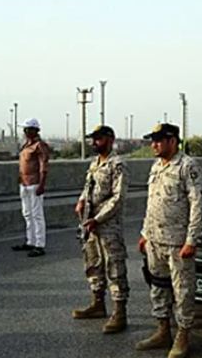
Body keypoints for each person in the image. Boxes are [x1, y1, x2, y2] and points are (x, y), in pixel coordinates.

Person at [136, 123, 202, 358]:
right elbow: (152, 203)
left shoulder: (187, 165)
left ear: (172, 141)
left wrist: (191, 240)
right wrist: (145, 233)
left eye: (159, 140)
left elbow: (197, 204)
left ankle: (182, 336)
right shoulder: (157, 166)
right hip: (155, 240)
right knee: (158, 286)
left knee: (182, 290)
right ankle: (162, 330)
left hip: (177, 242)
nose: (154, 145)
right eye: (152, 140)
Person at [72, 125, 130, 334]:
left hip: (108, 225)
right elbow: (88, 187)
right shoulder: (95, 163)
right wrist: (81, 201)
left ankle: (119, 313)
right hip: (90, 223)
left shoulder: (117, 164)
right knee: (93, 263)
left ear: (110, 139)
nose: (94, 143)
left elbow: (118, 198)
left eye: (99, 139)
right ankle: (98, 304)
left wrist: (98, 218)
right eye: (93, 139)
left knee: (114, 267)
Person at [11, 118, 50, 257]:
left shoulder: (40, 146)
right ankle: (30, 241)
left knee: (37, 215)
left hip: (34, 183)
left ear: (35, 130)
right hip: (24, 183)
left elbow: (43, 167)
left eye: (28, 129)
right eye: (25, 129)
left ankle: (39, 244)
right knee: (27, 214)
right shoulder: (25, 145)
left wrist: (42, 184)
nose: (25, 132)